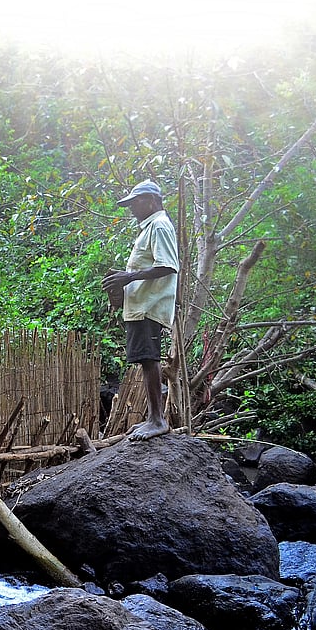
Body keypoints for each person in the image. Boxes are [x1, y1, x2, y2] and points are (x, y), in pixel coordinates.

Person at [102, 179, 179, 441]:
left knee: (149, 358)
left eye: (135, 202)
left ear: (151, 201)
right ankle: (152, 418)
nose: (132, 208)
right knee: (146, 359)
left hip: (150, 304)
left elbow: (168, 266)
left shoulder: (158, 225)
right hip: (140, 304)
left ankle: (157, 419)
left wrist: (129, 277)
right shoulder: (150, 227)